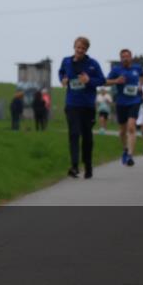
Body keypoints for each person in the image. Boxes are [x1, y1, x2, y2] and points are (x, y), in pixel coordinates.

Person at [58, 36, 105, 179]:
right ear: (74, 47)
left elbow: (102, 80)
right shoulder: (66, 61)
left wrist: (89, 80)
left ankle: (88, 166)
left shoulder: (93, 64)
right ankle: (74, 166)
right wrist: (63, 80)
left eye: (83, 48)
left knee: (87, 137)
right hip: (72, 104)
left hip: (87, 106)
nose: (80, 50)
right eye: (78, 47)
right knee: (73, 134)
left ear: (86, 50)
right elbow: (61, 72)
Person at [106, 49, 143, 167]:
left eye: (127, 56)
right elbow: (105, 82)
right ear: (120, 58)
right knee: (122, 131)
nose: (125, 58)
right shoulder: (116, 70)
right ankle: (125, 149)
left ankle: (130, 155)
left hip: (134, 101)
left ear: (131, 57)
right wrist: (116, 80)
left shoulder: (137, 68)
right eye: (123, 57)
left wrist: (142, 86)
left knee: (131, 127)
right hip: (121, 102)